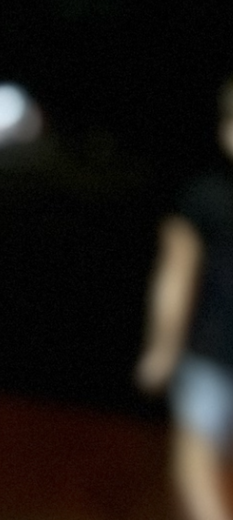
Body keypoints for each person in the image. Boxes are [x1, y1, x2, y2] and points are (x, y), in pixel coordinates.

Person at [138, 80, 233, 520]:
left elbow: (173, 279)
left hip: (210, 354)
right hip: (210, 355)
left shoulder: (202, 196)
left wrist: (161, 352)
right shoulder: (201, 196)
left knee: (194, 466)